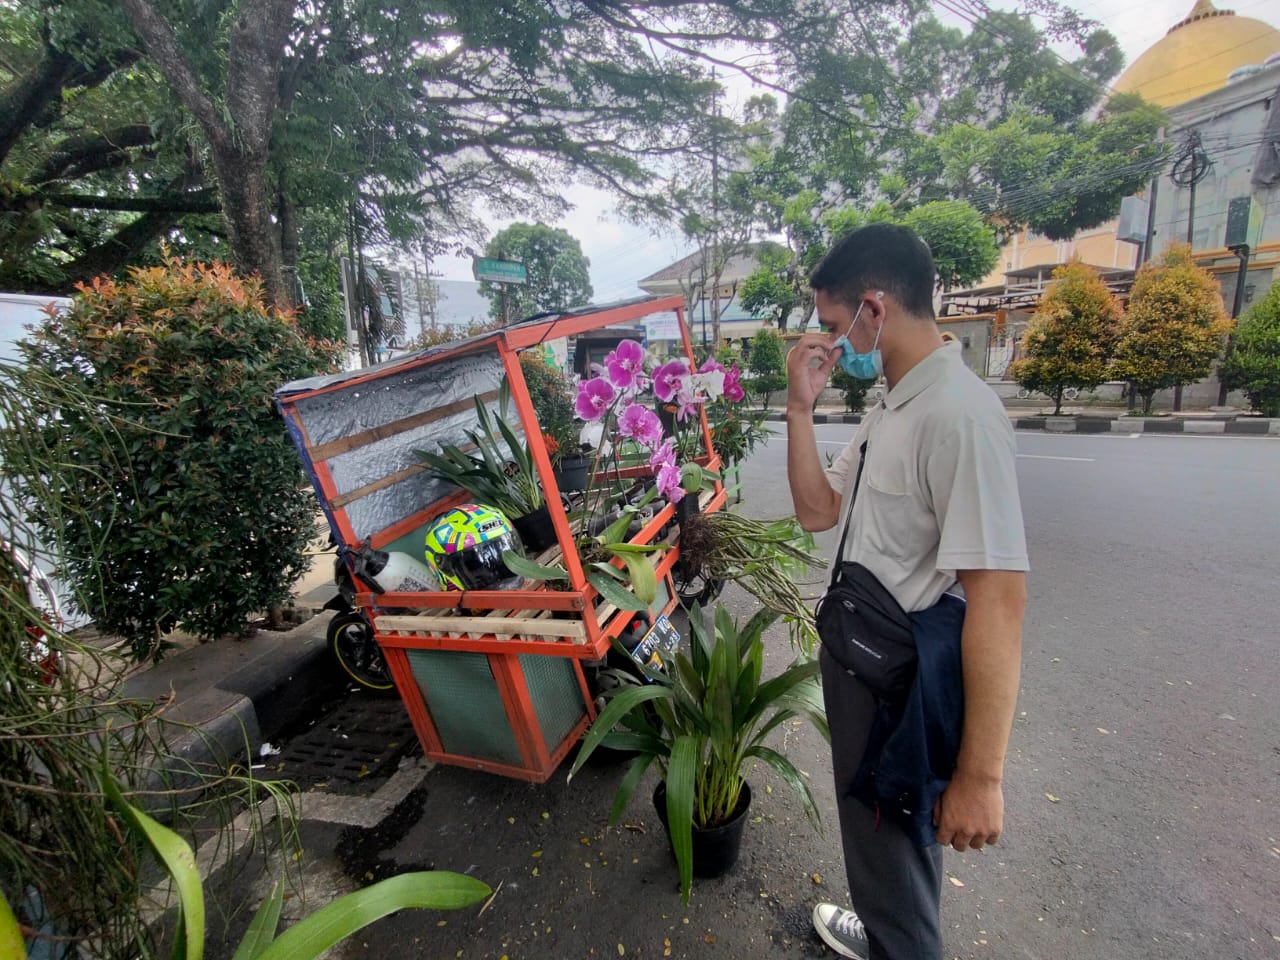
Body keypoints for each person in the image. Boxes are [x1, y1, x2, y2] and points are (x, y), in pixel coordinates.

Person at [785, 224, 1028, 960]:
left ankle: (901, 941)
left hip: (900, 687)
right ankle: (886, 923)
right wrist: (799, 408)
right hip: (863, 660)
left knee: (895, 844)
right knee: (875, 835)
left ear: (874, 309)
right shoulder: (895, 402)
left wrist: (982, 777)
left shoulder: (958, 415)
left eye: (833, 324)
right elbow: (819, 512)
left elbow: (999, 599)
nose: (832, 341)